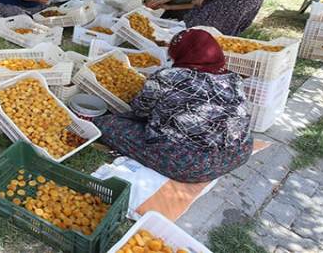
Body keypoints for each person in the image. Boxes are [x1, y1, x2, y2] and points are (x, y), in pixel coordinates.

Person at [95, 29, 253, 183]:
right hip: (238, 153)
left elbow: (139, 111)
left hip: (192, 164)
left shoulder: (168, 76)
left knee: (106, 124)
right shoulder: (234, 78)